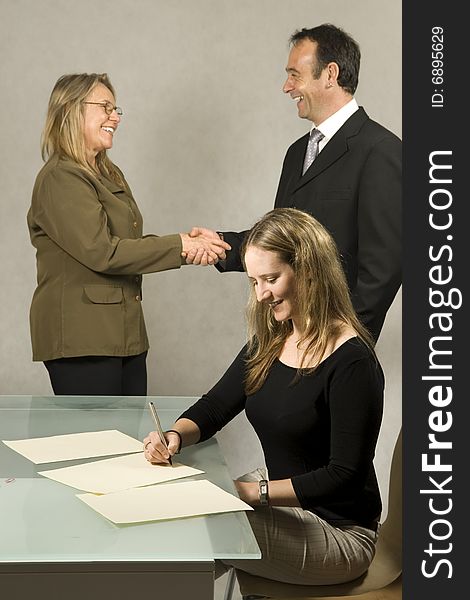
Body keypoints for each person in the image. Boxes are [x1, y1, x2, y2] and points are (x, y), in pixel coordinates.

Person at [144, 207, 384, 586]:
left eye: (270, 279)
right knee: (182, 514)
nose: (260, 295)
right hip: (282, 500)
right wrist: (175, 435)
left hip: (341, 533)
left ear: (309, 271)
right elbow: (216, 405)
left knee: (194, 528)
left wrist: (254, 492)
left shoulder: (352, 361)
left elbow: (344, 476)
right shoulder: (272, 340)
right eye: (254, 281)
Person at [186, 23, 402, 342]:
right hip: (287, 338)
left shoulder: (381, 151)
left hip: (334, 347)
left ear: (330, 74)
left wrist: (342, 339)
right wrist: (221, 245)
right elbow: (283, 240)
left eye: (294, 74)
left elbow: (384, 268)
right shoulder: (297, 152)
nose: (286, 87)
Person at [27, 72, 230, 396]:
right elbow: (102, 252)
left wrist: (186, 246)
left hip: (127, 334)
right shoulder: (61, 177)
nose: (115, 117)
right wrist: (181, 245)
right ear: (71, 109)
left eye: (116, 109)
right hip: (84, 339)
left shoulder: (107, 172)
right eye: (105, 107)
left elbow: (129, 246)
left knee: (131, 444)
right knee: (96, 444)